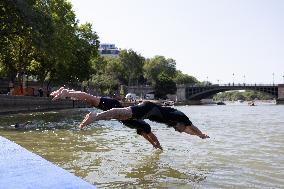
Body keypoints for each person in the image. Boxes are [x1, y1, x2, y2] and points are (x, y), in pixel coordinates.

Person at [51, 87, 209, 150]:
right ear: (182, 123)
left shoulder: (176, 121)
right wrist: (200, 134)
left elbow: (188, 130)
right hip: (148, 109)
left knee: (90, 99)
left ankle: (67, 92)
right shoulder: (180, 117)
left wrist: (198, 135)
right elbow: (190, 128)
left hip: (145, 110)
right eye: (180, 129)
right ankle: (95, 117)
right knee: (122, 113)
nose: (179, 131)